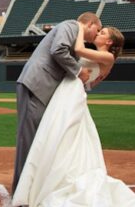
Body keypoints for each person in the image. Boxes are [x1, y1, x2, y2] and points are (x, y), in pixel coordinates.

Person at [12, 26, 135, 207]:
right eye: (98, 30)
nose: (99, 33)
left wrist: (80, 27)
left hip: (71, 95)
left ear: (109, 42)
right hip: (67, 92)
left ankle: (49, 184)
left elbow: (79, 50)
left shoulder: (106, 56)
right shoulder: (103, 56)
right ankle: (46, 182)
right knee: (59, 138)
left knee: (62, 137)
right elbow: (90, 81)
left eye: (103, 32)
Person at [12, 12, 102, 192]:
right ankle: (21, 191)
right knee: (29, 138)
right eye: (97, 30)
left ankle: (32, 188)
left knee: (39, 138)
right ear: (90, 23)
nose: (97, 35)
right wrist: (78, 71)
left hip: (43, 88)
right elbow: (58, 49)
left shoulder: (77, 40)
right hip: (36, 84)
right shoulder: (70, 25)